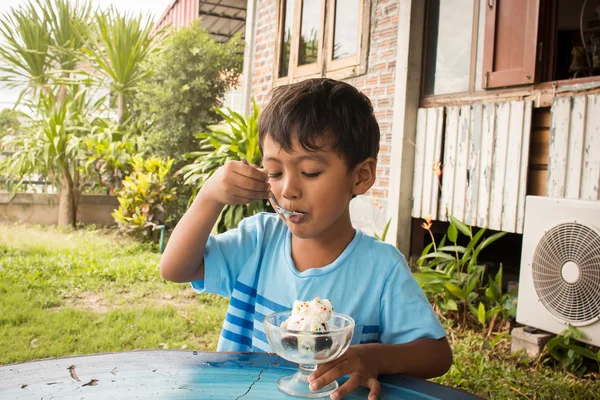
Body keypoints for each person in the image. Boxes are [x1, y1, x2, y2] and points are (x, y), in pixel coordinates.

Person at [160, 78, 452, 400]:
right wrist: (209, 196)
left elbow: (436, 355)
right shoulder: (257, 241)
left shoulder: (381, 269)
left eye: (310, 172)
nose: (288, 189)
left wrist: (372, 358)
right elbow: (176, 269)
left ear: (361, 176)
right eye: (274, 172)